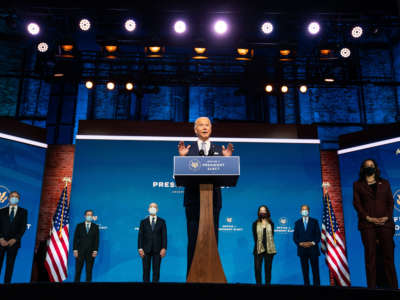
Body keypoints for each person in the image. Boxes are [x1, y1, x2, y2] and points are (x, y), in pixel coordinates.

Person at [178, 116, 234, 275]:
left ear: (211, 128)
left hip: (213, 201)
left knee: (212, 240)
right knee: (194, 241)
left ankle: (212, 276)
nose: (204, 127)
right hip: (193, 202)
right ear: (195, 130)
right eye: (200, 125)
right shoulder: (188, 150)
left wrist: (227, 160)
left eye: (207, 125)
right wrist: (183, 158)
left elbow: (226, 175)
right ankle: (191, 278)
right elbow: (181, 176)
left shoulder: (219, 150)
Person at [353, 158, 398, 289]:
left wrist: (387, 217)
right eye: (367, 166)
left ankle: (394, 288)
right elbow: (357, 204)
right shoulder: (358, 185)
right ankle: (372, 289)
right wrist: (368, 218)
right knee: (370, 259)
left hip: (385, 224)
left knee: (388, 258)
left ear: (375, 167)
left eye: (371, 165)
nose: (369, 167)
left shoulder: (385, 183)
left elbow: (390, 202)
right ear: (363, 169)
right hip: (368, 225)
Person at [0, 191, 27, 283]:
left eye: (16, 197)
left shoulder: (23, 212)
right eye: (12, 196)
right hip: (1, 242)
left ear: (18, 200)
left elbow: (23, 227)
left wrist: (15, 239)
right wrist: (1, 238)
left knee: (10, 266)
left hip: (14, 243)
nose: (14, 198)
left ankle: (6, 287)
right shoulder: (1, 211)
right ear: (8, 198)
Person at [138, 203, 167, 283]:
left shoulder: (162, 221)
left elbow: (164, 236)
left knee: (156, 271)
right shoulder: (143, 222)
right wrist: (140, 248)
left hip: (158, 250)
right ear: (148, 209)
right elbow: (140, 235)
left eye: (154, 207)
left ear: (157, 210)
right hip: (145, 250)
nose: (152, 208)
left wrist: (164, 248)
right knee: (145, 271)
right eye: (151, 207)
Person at [293, 204, 321, 286]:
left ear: (308, 211)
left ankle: (317, 288)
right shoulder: (297, 223)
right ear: (300, 211)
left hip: (313, 250)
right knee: (305, 271)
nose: (304, 211)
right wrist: (300, 243)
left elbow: (318, 235)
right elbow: (295, 237)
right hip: (302, 250)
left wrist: (312, 243)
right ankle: (306, 288)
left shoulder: (314, 221)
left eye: (306, 209)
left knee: (315, 270)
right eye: (303, 210)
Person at [252, 205, 277, 285]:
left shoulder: (271, 224)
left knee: (268, 270)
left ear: (267, 212)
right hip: (258, 250)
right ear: (259, 212)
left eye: (264, 210)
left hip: (269, 250)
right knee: (257, 269)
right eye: (261, 210)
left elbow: (272, 236)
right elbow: (255, 237)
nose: (262, 212)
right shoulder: (255, 223)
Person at [73, 209, 99, 282]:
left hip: (90, 253)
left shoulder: (95, 227)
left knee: (89, 271)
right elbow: (75, 239)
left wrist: (95, 250)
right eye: (88, 215)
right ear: (85, 216)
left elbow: (96, 240)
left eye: (91, 215)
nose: (89, 216)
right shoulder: (79, 226)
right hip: (80, 252)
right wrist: (75, 250)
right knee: (78, 271)